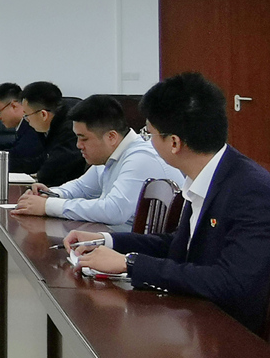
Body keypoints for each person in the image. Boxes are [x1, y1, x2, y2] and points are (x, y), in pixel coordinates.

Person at [64, 72, 270, 337]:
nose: (147, 141)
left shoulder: (251, 190)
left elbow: (232, 283)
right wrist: (108, 241)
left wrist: (130, 263)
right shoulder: (207, 174)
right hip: (195, 318)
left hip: (232, 336)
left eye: (149, 133)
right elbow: (180, 245)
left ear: (174, 142)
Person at [12, 94, 183, 225]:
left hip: (144, 247)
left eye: (84, 138)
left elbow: (113, 210)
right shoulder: (111, 155)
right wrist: (50, 194)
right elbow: (81, 187)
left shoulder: (140, 157)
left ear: (111, 137)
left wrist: (48, 206)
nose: (78, 145)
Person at [0, 81, 85, 187]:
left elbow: (52, 171)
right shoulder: (50, 124)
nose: (26, 120)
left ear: (43, 115)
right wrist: (1, 164)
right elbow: (40, 161)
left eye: (27, 115)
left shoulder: (70, 129)